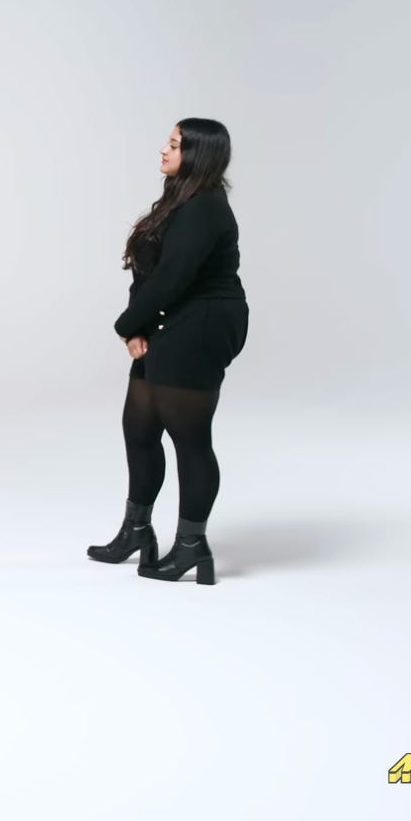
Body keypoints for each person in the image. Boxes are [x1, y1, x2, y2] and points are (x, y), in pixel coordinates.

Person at [88, 118, 249, 585]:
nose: (163, 149)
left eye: (174, 144)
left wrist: (126, 325)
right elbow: (148, 270)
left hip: (202, 323)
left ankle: (192, 545)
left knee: (189, 437)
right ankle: (136, 531)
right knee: (139, 428)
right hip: (168, 317)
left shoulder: (205, 207)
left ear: (197, 153)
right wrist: (135, 325)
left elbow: (175, 276)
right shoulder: (177, 199)